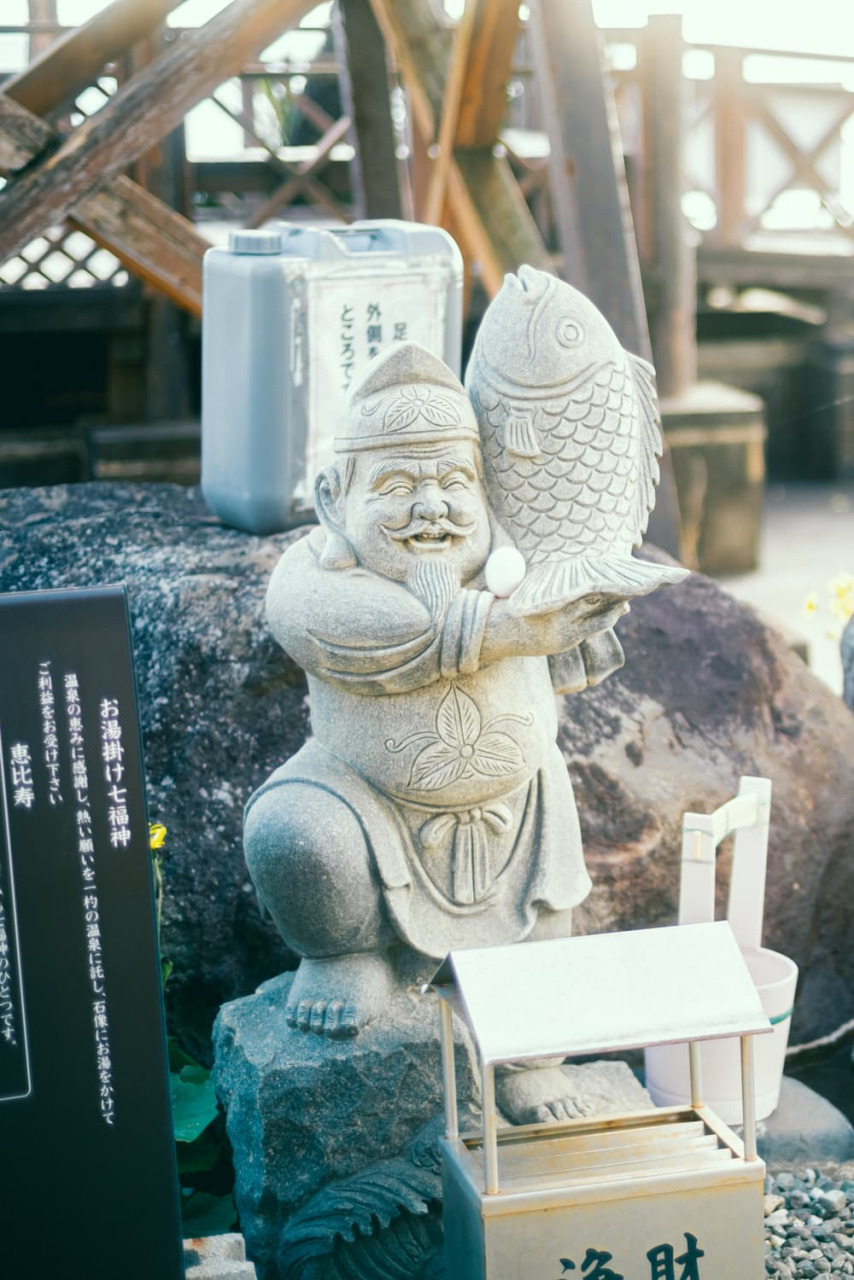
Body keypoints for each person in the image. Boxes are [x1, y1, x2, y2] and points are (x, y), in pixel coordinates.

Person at [244, 344, 625, 1120]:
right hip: (363, 802)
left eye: (456, 483)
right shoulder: (311, 579)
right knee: (291, 833)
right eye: (397, 486)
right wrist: (502, 629)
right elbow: (367, 630)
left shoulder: (515, 574)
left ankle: (530, 1063)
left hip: (519, 814)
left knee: (546, 928)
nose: (432, 507)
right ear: (332, 498)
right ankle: (348, 956)